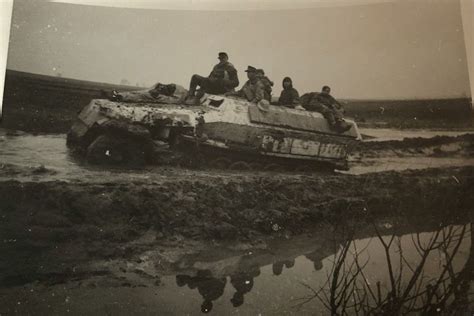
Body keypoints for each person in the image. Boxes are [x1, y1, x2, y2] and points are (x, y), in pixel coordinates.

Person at [104, 82, 188, 104]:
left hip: (163, 96)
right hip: (163, 94)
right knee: (141, 93)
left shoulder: (182, 94)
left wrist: (157, 94)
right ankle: (118, 95)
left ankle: (119, 96)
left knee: (142, 95)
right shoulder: (182, 90)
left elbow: (173, 99)